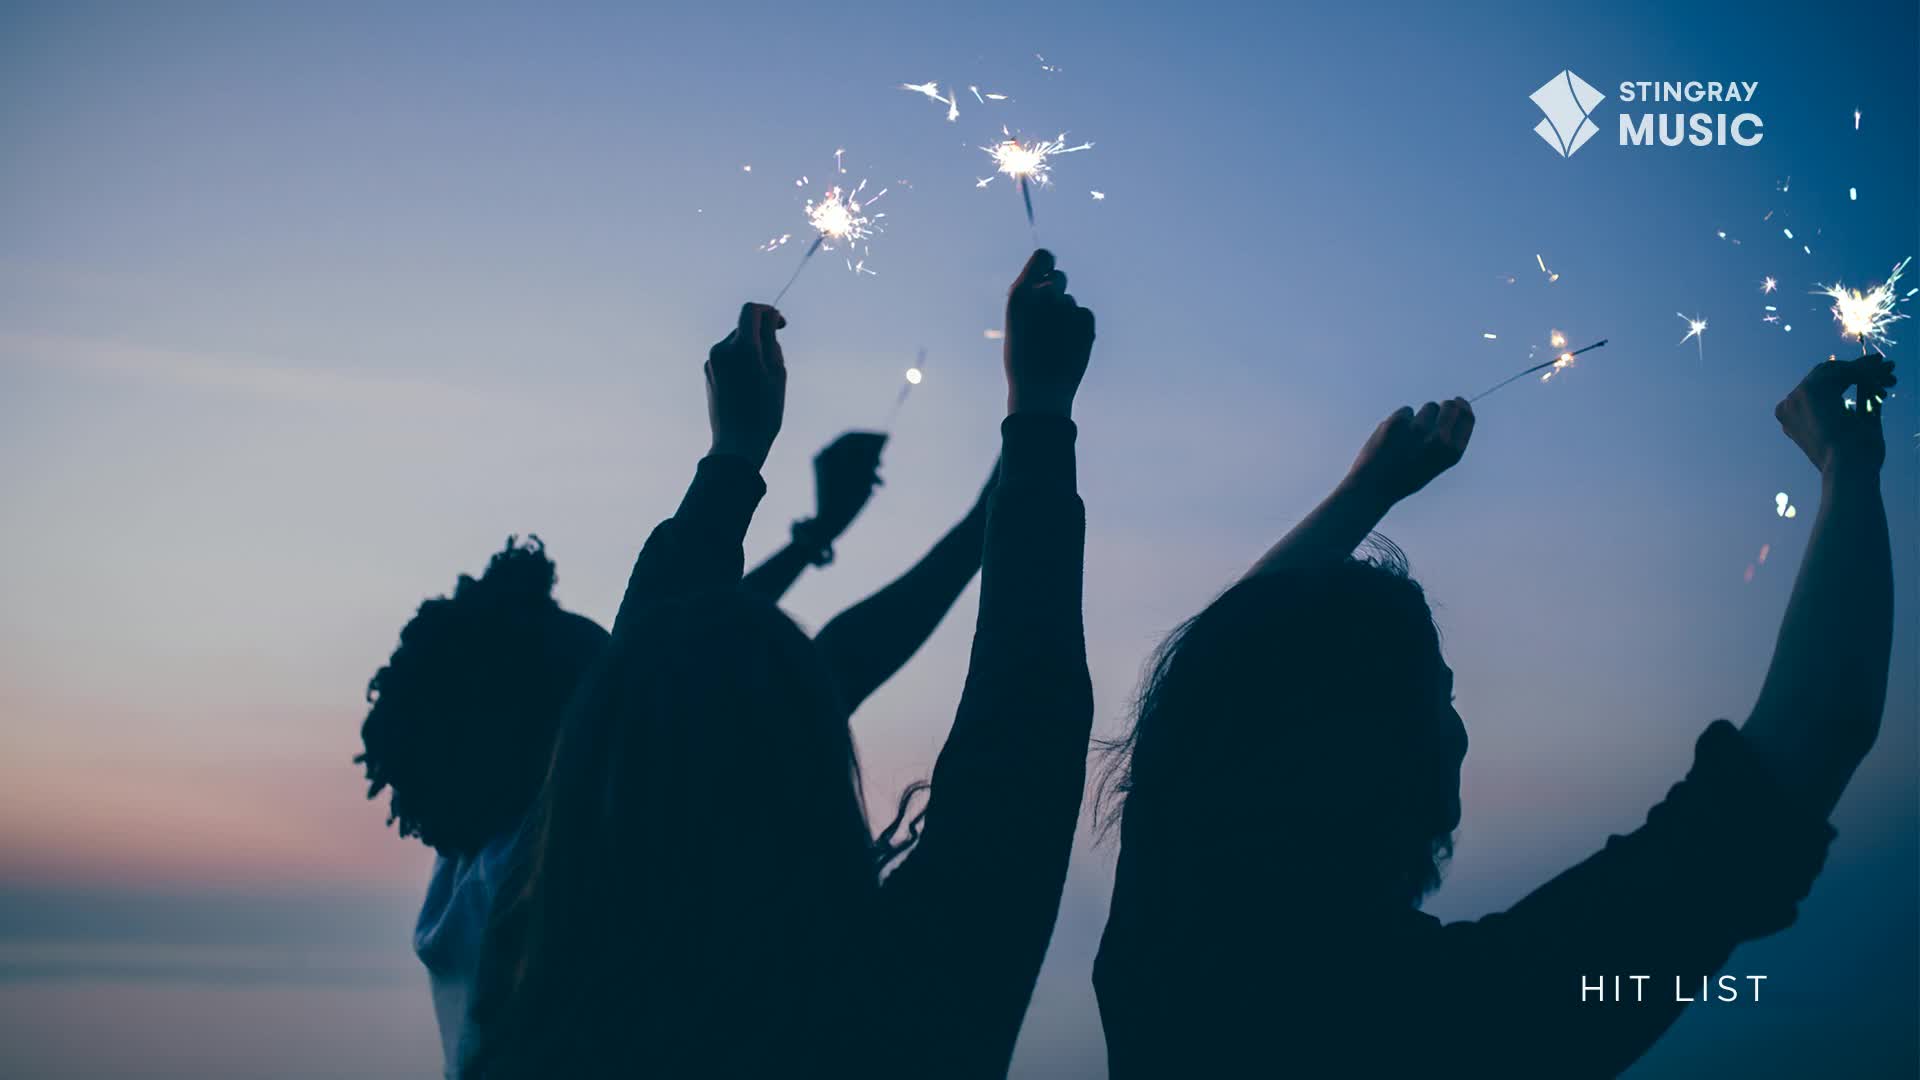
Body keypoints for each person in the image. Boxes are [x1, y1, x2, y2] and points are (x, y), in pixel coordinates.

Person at [1093, 356, 1896, 1077]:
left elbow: (1212, 684)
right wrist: (1849, 464)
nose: (1461, 728)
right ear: (1378, 759)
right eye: (1440, 697)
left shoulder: (1162, 956)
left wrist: (1370, 490)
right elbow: (1817, 729)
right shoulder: (1458, 1019)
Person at [463, 249, 1096, 1078]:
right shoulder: (899, 1015)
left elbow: (655, 686)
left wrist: (740, 466)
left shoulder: (528, 988)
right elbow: (1023, 728)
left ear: (586, 759)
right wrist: (1037, 424)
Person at [357, 424, 996, 1077]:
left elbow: (688, 646)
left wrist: (813, 538)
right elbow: (788, 663)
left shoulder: (470, 870)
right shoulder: (532, 872)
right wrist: (985, 524)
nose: (624, 668)